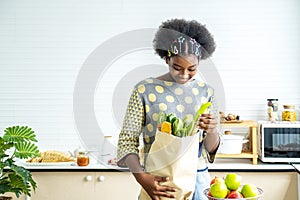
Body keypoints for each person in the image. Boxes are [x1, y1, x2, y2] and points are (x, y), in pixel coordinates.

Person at [117, 18, 220, 200]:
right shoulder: (144, 90)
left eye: (192, 69)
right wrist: (143, 179)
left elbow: (209, 149)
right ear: (166, 58)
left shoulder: (206, 92)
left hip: (198, 181)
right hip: (158, 181)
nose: (184, 75)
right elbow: (127, 142)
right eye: (177, 67)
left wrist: (212, 130)